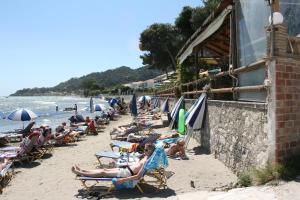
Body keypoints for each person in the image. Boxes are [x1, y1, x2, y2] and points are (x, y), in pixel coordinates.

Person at [71, 143, 155, 184]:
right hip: (126, 168)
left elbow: (138, 176)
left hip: (126, 173)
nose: (144, 151)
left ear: (151, 151)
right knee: (103, 169)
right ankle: (83, 170)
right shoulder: (145, 157)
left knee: (103, 173)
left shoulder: (147, 161)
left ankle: (79, 173)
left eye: (147, 150)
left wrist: (123, 180)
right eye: (145, 149)